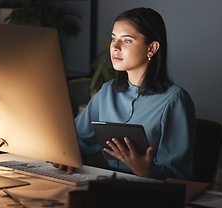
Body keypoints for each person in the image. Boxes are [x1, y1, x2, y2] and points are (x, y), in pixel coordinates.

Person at [55, 7, 196, 180]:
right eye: (114, 39)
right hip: (109, 187)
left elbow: (179, 176)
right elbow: (77, 140)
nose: (115, 47)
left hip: (151, 197)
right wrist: (64, 155)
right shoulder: (108, 91)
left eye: (127, 41)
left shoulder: (174, 101)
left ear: (151, 48)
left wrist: (145, 170)